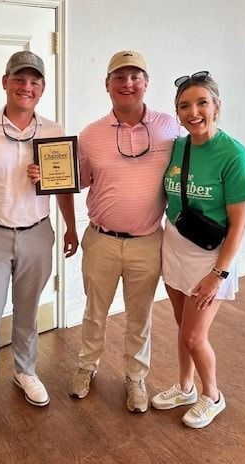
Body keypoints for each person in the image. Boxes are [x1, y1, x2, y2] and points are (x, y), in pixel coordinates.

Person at [0, 50, 78, 425]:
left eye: (35, 82)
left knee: (28, 311)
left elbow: (64, 187)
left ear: (41, 89)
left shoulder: (54, 132)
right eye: (20, 79)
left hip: (38, 234)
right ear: (5, 82)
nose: (27, 87)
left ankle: (25, 371)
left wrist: (71, 226)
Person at [66, 50, 179, 412]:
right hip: (101, 239)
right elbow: (78, 179)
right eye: (119, 77)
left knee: (139, 316)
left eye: (135, 76)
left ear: (146, 83)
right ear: (107, 85)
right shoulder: (91, 134)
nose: (127, 84)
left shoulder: (170, 129)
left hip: (148, 241)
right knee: (94, 311)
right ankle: (87, 366)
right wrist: (46, 176)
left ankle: (136, 377)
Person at [151, 71, 245, 428]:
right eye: (185, 105)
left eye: (202, 103)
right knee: (183, 326)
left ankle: (212, 394)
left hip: (211, 258)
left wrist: (218, 274)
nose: (193, 112)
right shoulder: (178, 146)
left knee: (195, 335)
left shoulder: (234, 155)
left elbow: (240, 224)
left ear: (217, 106)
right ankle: (185, 388)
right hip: (175, 246)